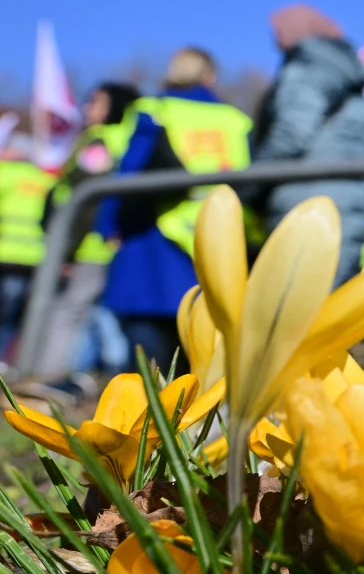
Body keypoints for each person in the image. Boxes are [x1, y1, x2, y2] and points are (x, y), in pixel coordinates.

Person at [98, 48, 252, 372]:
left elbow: (129, 174)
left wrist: (109, 225)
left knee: (146, 346)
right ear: (210, 76)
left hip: (156, 234)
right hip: (216, 239)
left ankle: (141, 417)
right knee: (201, 346)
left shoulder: (154, 110)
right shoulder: (235, 120)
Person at [254, 5, 364, 284]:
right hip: (344, 197)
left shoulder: (308, 68)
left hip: (305, 200)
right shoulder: (341, 72)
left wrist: (248, 184)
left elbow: (291, 133)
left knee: (298, 306)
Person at [34, 82, 140, 384]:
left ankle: (45, 379)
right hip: (108, 244)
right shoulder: (127, 139)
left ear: (114, 107)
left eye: (95, 102)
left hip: (88, 246)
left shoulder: (99, 142)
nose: (87, 108)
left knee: (68, 311)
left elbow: (85, 201)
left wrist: (66, 249)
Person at [0, 140, 56, 360]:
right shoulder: (44, 179)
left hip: (5, 254)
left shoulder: (4, 173)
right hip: (34, 257)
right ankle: (7, 361)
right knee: (18, 318)